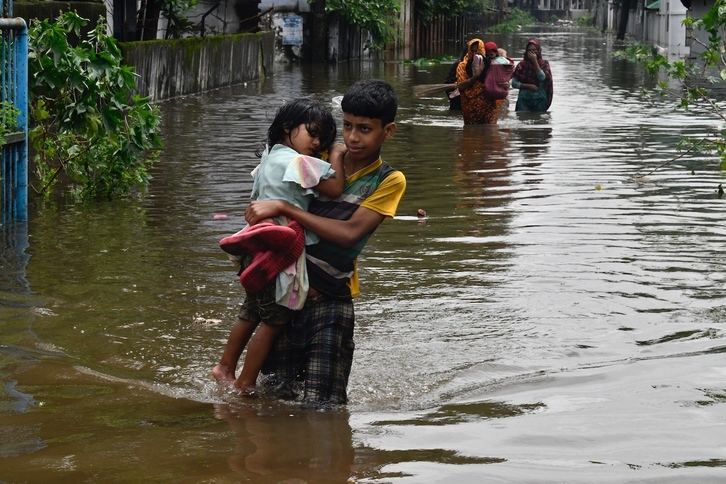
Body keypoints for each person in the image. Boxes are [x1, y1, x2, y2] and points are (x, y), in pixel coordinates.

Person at [243, 79, 406, 405]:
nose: (352, 137)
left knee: (324, 410)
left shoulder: (388, 180)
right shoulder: (314, 158)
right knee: (272, 403)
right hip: (286, 298)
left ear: (387, 132)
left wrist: (285, 208)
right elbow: (269, 189)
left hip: (331, 302)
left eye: (364, 129)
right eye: (346, 126)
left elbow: (348, 234)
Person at [212, 98, 348, 394]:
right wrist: (336, 153)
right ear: (288, 127)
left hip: (255, 247)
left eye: (322, 139)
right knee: (274, 321)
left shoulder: (268, 158)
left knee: (250, 311)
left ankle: (225, 365)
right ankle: (245, 384)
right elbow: (335, 187)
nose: (316, 142)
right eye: (312, 133)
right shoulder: (298, 163)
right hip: (278, 252)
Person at [455, 39, 511, 125]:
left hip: (488, 106)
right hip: (470, 107)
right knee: (470, 133)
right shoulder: (463, 66)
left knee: (490, 133)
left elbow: (500, 81)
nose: (474, 54)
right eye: (472, 51)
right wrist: (475, 76)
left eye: (477, 51)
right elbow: (460, 86)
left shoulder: (490, 64)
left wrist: (506, 85)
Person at [511, 39, 554, 112]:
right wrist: (528, 86)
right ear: (526, 51)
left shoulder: (544, 64)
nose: (532, 52)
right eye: (529, 50)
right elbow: (514, 83)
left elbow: (542, 78)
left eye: (535, 50)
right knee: (523, 120)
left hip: (539, 99)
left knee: (539, 120)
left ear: (539, 50)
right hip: (524, 99)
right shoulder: (522, 65)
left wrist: (535, 62)